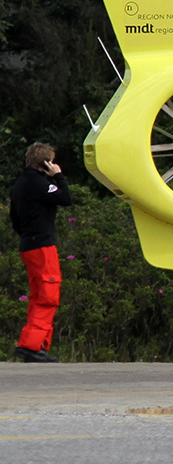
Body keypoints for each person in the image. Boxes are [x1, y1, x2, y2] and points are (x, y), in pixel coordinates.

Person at [11, 142, 72, 362]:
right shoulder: (39, 184)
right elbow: (66, 198)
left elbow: (14, 220)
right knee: (48, 296)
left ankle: (36, 344)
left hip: (28, 245)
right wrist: (59, 177)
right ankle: (31, 346)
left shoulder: (20, 184)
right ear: (47, 164)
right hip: (42, 246)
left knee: (38, 295)